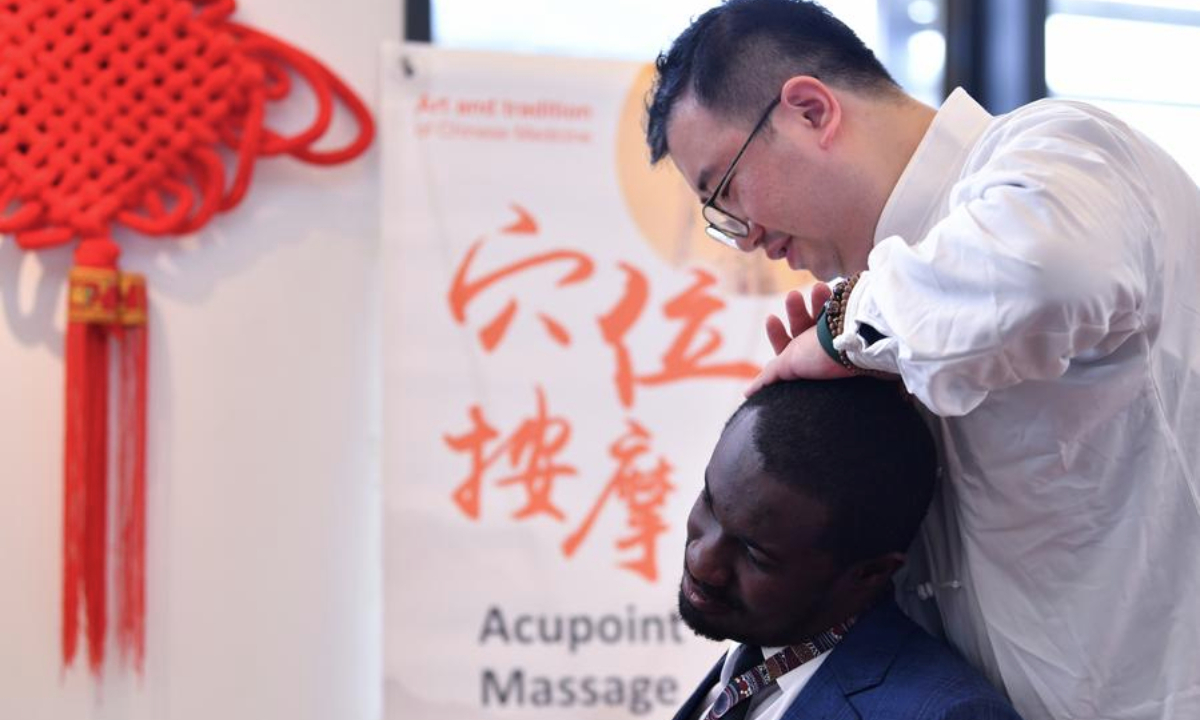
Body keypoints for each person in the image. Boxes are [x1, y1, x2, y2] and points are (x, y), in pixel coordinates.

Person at [646, 2, 1200, 719]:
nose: (746, 236)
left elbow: (1051, 271)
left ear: (810, 111)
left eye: (724, 192)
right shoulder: (909, 315)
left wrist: (844, 328)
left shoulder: (1057, 148)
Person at [675, 378, 1022, 720]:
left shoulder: (948, 714)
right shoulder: (754, 662)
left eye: (755, 555)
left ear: (870, 573)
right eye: (709, 500)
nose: (703, 561)